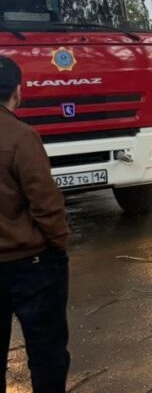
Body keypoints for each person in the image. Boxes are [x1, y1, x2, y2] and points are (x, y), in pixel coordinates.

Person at [0, 56, 70, 392]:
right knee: (47, 355)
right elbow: (46, 203)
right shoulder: (20, 137)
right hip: (29, 266)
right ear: (17, 91)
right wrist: (58, 247)